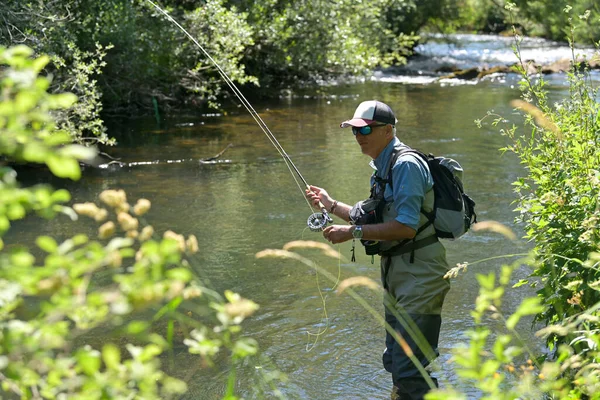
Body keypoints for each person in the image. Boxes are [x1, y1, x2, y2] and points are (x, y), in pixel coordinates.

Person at [305, 100, 450, 400]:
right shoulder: (383, 167)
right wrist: (330, 205)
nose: (359, 136)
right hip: (398, 273)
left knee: (410, 368)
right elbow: (372, 215)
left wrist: (352, 233)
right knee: (395, 361)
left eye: (366, 129)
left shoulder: (406, 165)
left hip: (420, 275)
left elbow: (406, 227)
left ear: (388, 130)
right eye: (355, 130)